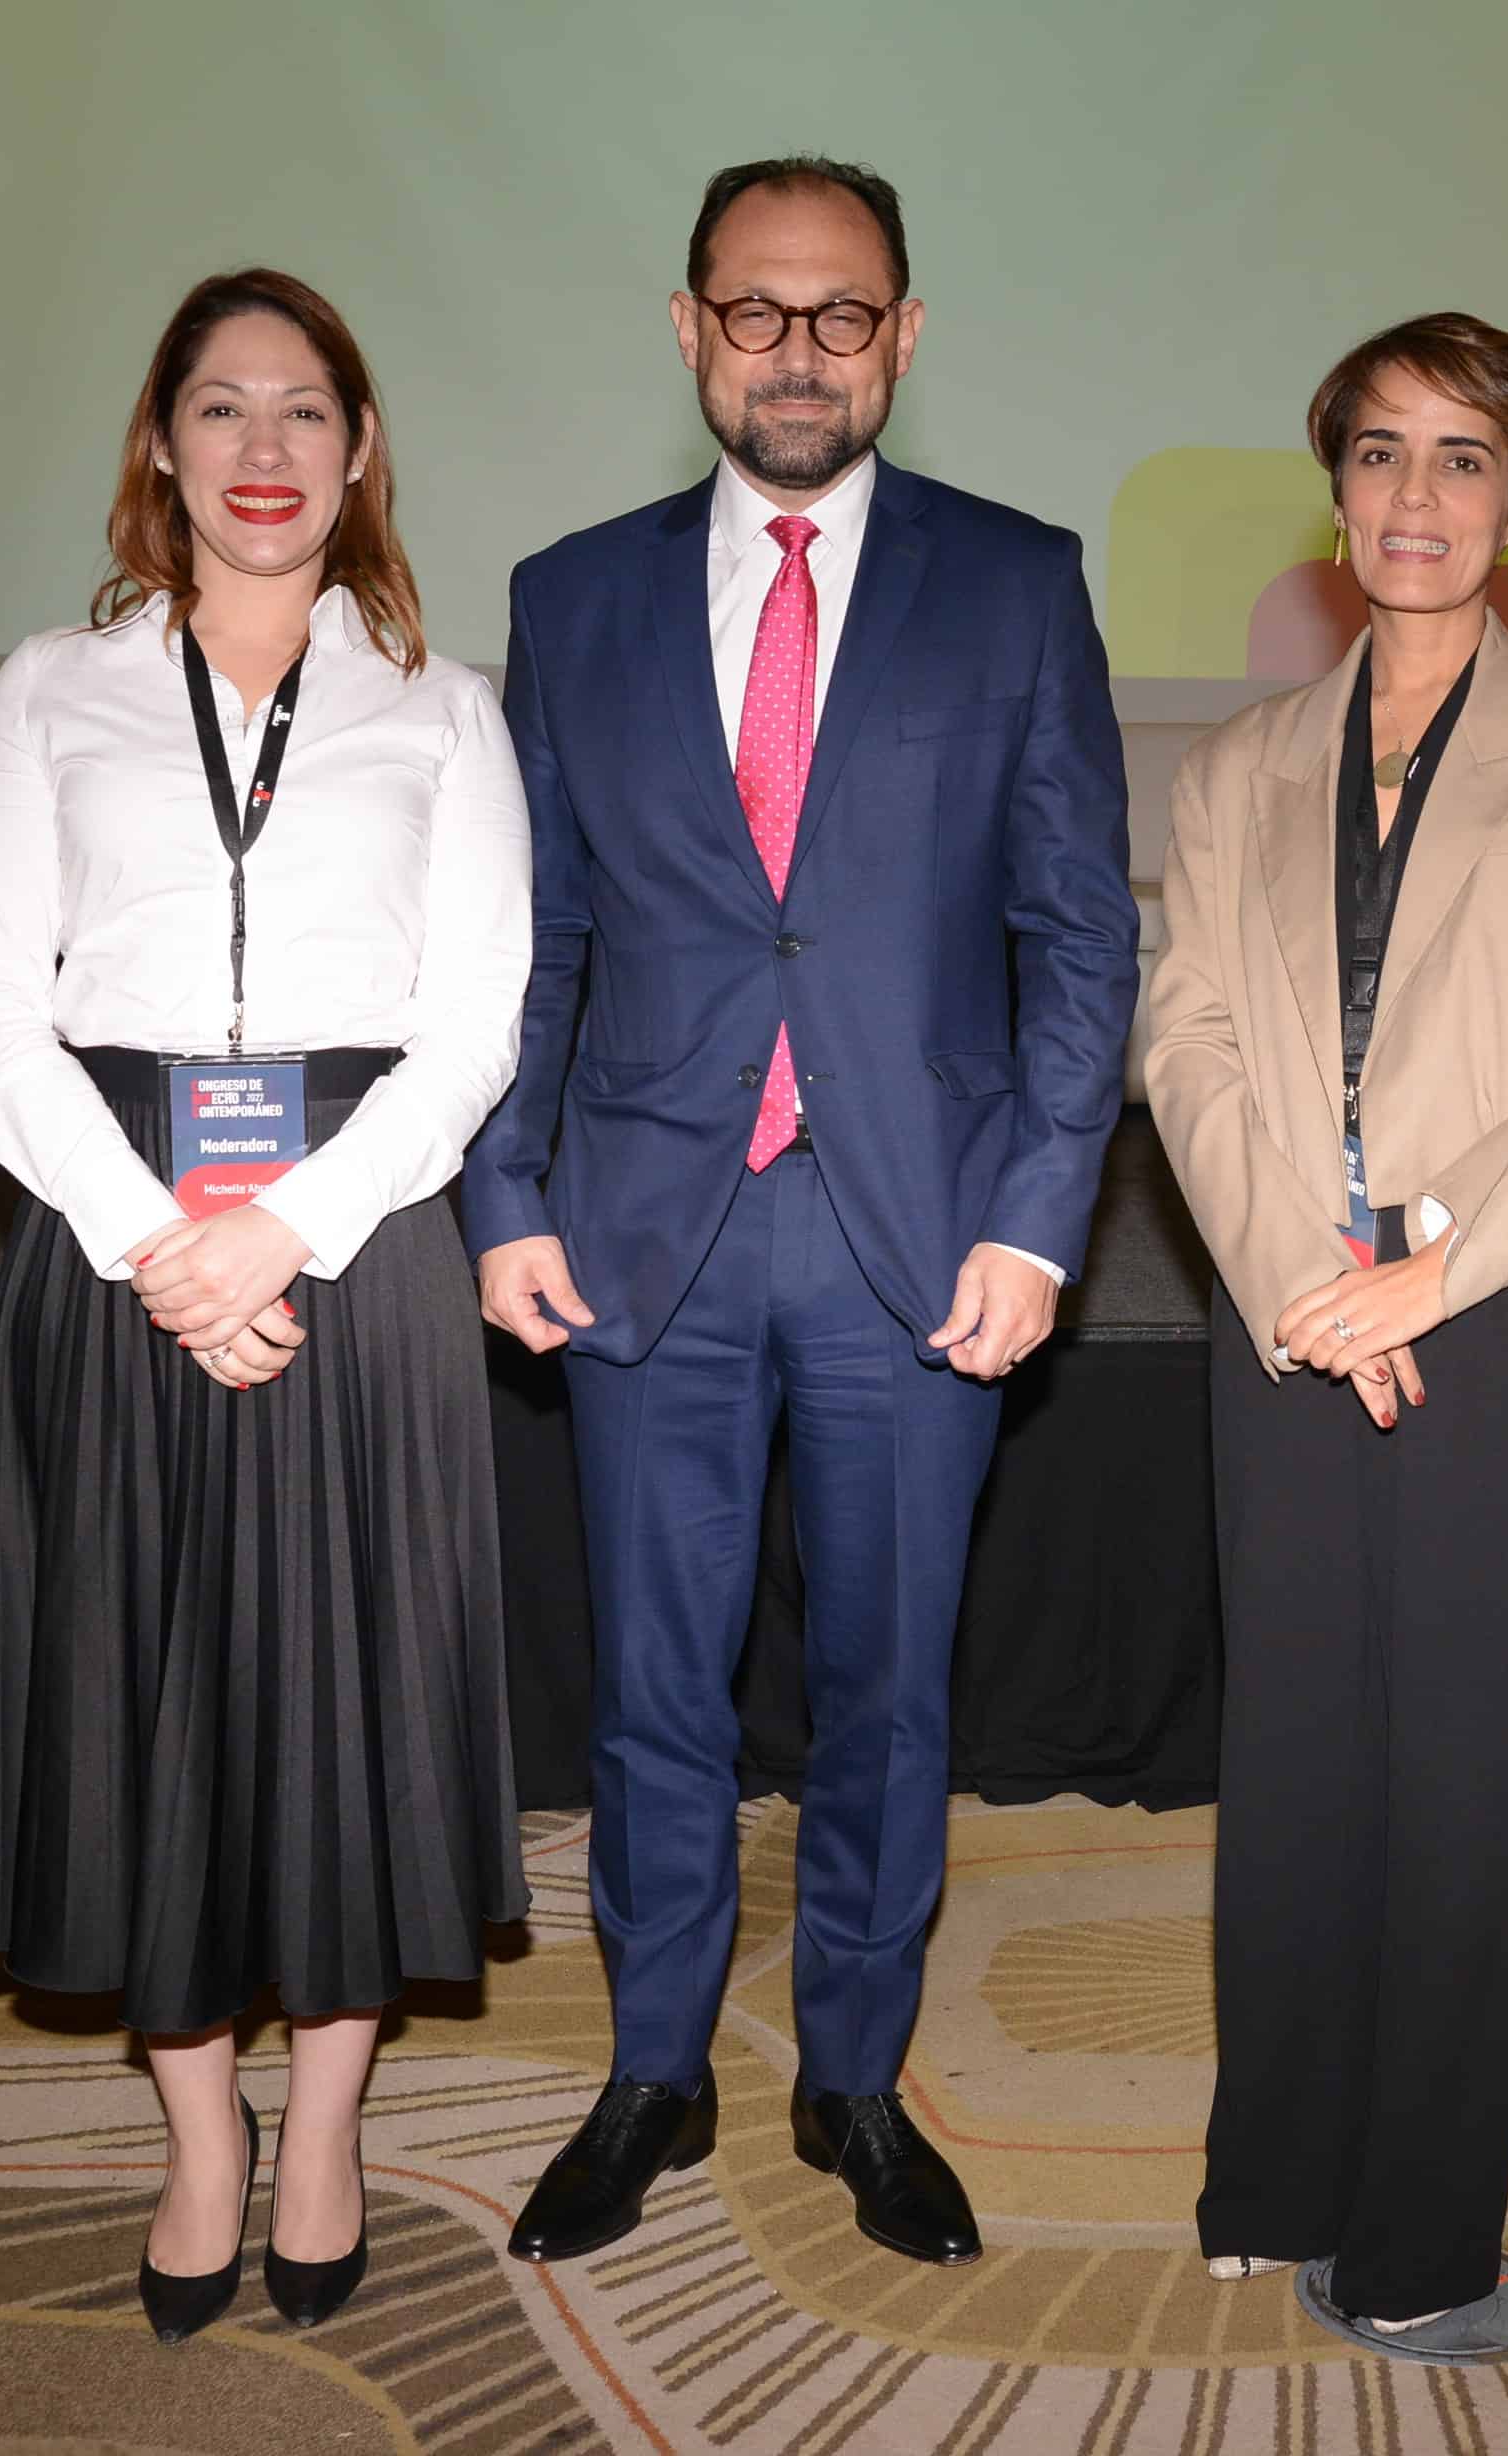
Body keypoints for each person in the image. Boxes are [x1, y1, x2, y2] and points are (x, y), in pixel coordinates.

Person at [460, 157, 1138, 2271]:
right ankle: (651, 2070)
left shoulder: (1015, 584)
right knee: (651, 1698)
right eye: (755, 312)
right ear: (685, 329)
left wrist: (1036, 1225)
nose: (797, 354)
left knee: (887, 1695)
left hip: (915, 1246)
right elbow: (535, 936)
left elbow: (1080, 937)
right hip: (644, 1231)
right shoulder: (568, 596)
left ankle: (854, 2077)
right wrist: (499, 1189)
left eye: (841, 315)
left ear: (905, 339)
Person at [0, 268, 533, 2344]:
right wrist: (151, 1247)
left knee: (356, 1694)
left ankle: (327, 2131)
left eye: (305, 412)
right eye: (221, 408)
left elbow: (474, 1033)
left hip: (359, 1255)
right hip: (113, 1243)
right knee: (147, 1686)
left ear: (361, 453)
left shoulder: (445, 706)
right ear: (162, 447)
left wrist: (282, 1230)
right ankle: (200, 2136)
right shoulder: (49, 688)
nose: (264, 449)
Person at [1144, 313, 1508, 2363]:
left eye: (1463, 459)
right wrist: (1304, 1259)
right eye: (1380, 453)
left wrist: (1426, 1261)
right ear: (1335, 491)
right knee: (1296, 1762)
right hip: (1286, 1308)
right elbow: (1188, 1038)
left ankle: (1411, 2245)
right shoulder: (1232, 769)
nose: (1415, 496)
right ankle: (1279, 2174)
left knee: (1472, 1783)